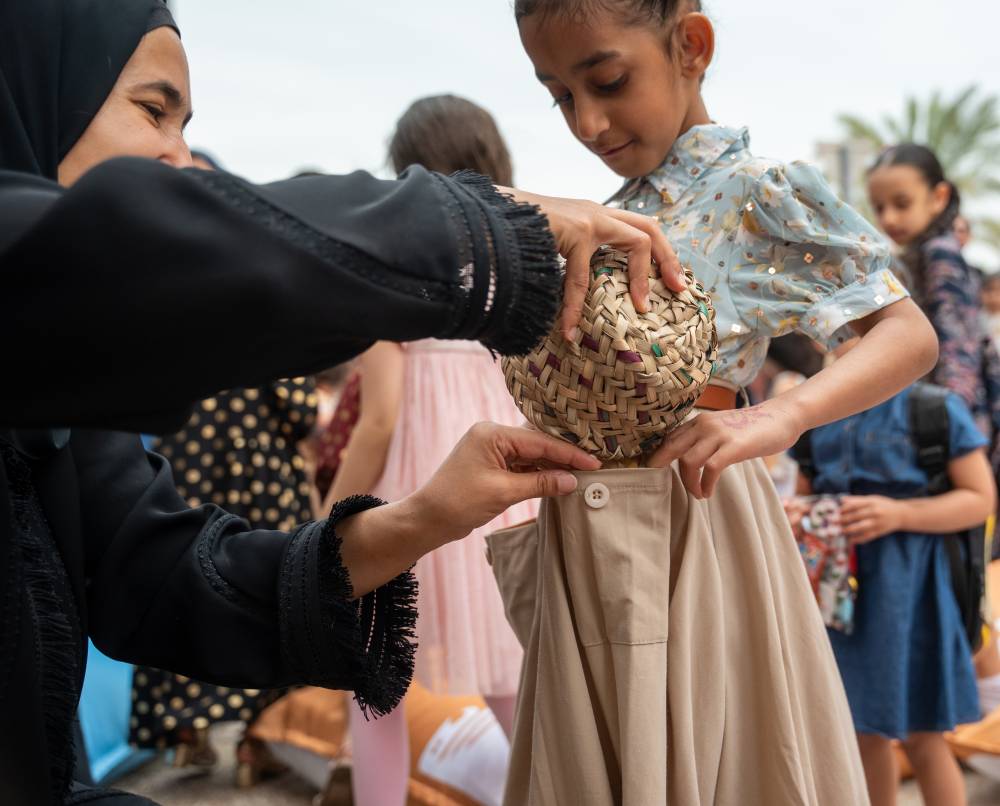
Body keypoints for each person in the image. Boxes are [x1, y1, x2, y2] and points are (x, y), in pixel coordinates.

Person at [0, 1, 682, 803]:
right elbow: (147, 249)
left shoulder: (69, 410)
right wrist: (481, 227)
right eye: (155, 110)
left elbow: (162, 579)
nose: (180, 159)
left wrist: (418, 519)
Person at [501, 1, 939, 803]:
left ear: (691, 46)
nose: (588, 122)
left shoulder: (755, 194)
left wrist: (776, 415)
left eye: (607, 79)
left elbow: (906, 334)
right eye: (560, 96)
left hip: (694, 520)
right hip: (587, 527)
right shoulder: (607, 212)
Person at [343, 95, 534, 806]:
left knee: (376, 680)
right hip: (500, 487)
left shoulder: (394, 262)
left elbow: (381, 414)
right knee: (511, 680)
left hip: (414, 493)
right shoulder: (517, 263)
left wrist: (329, 511)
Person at [792, 338, 995, 806]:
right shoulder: (815, 414)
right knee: (862, 731)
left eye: (863, 331)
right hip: (838, 599)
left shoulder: (933, 410)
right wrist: (801, 512)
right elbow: (804, 493)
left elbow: (980, 499)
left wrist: (900, 514)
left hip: (914, 595)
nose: (846, 343)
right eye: (837, 332)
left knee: (924, 732)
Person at [130, 377, 318, 784]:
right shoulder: (271, 315)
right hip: (253, 461)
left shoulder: (172, 312)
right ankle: (255, 742)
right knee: (263, 579)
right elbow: (298, 406)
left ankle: (187, 726)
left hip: (184, 453)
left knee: (177, 564)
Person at [867, 145, 1000, 474]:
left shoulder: (939, 252)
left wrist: (950, 422)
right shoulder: (922, 252)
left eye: (902, 204)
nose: (889, 219)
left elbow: (956, 346)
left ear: (939, 197)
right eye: (879, 208)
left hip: (953, 417)